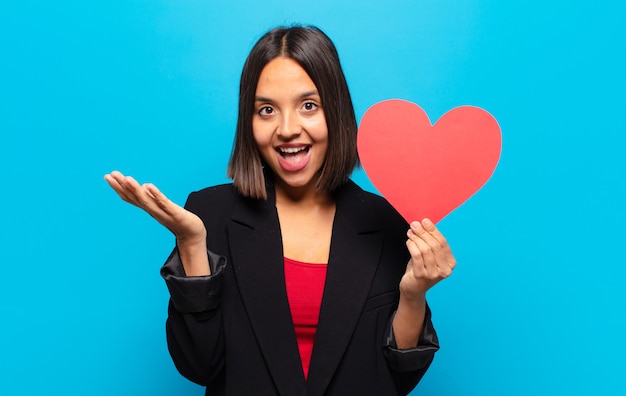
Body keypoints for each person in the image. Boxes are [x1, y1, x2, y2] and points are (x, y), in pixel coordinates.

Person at [104, 25, 456, 396]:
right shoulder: (209, 214)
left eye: (309, 105)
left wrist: (414, 295)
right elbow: (198, 365)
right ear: (248, 121)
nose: (287, 129)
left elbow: (395, 378)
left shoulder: (386, 221)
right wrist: (192, 243)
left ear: (335, 110)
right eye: (267, 110)